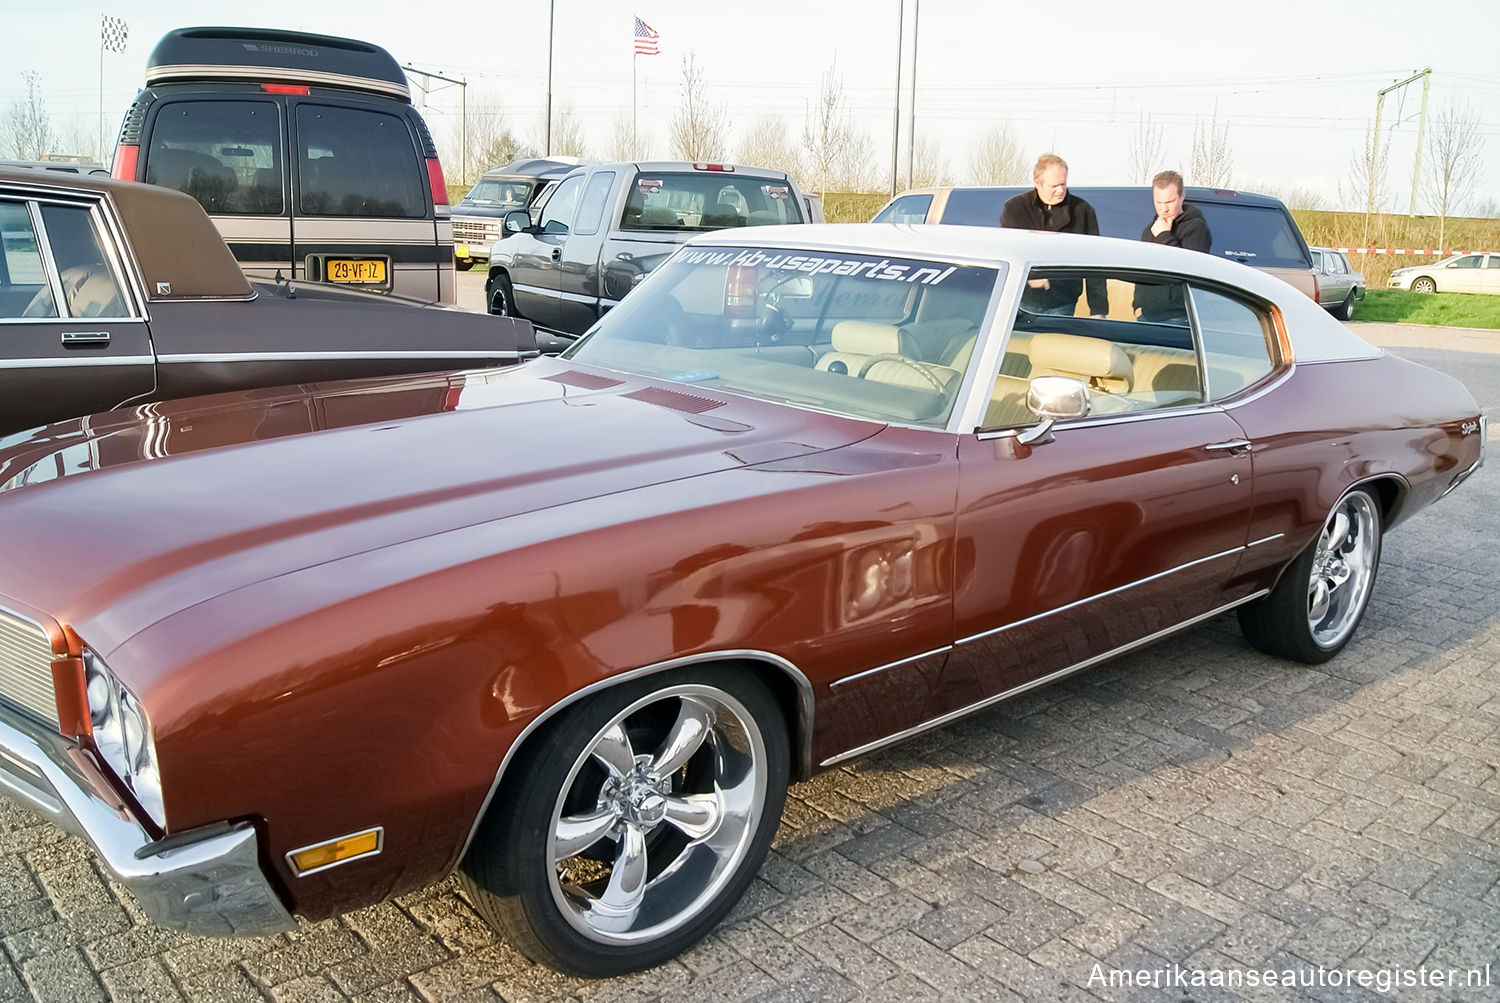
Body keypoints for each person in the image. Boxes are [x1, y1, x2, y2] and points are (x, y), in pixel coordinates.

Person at [1000, 154, 1108, 317]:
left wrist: (1098, 309)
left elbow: (1096, 264)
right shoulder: (1016, 209)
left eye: (1063, 184)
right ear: (1038, 183)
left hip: (1063, 301)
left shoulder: (1082, 211)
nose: (1060, 190)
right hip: (1021, 301)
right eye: (1054, 186)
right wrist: (1030, 275)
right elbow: (1008, 251)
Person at [1134, 170, 1212, 322]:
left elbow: (1187, 269)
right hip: (1147, 315)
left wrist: (1164, 236)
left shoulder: (1196, 228)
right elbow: (1142, 271)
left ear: (1182, 196)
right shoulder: (1150, 230)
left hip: (1178, 315)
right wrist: (1137, 304)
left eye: (1169, 202)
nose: (1164, 209)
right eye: (1158, 202)